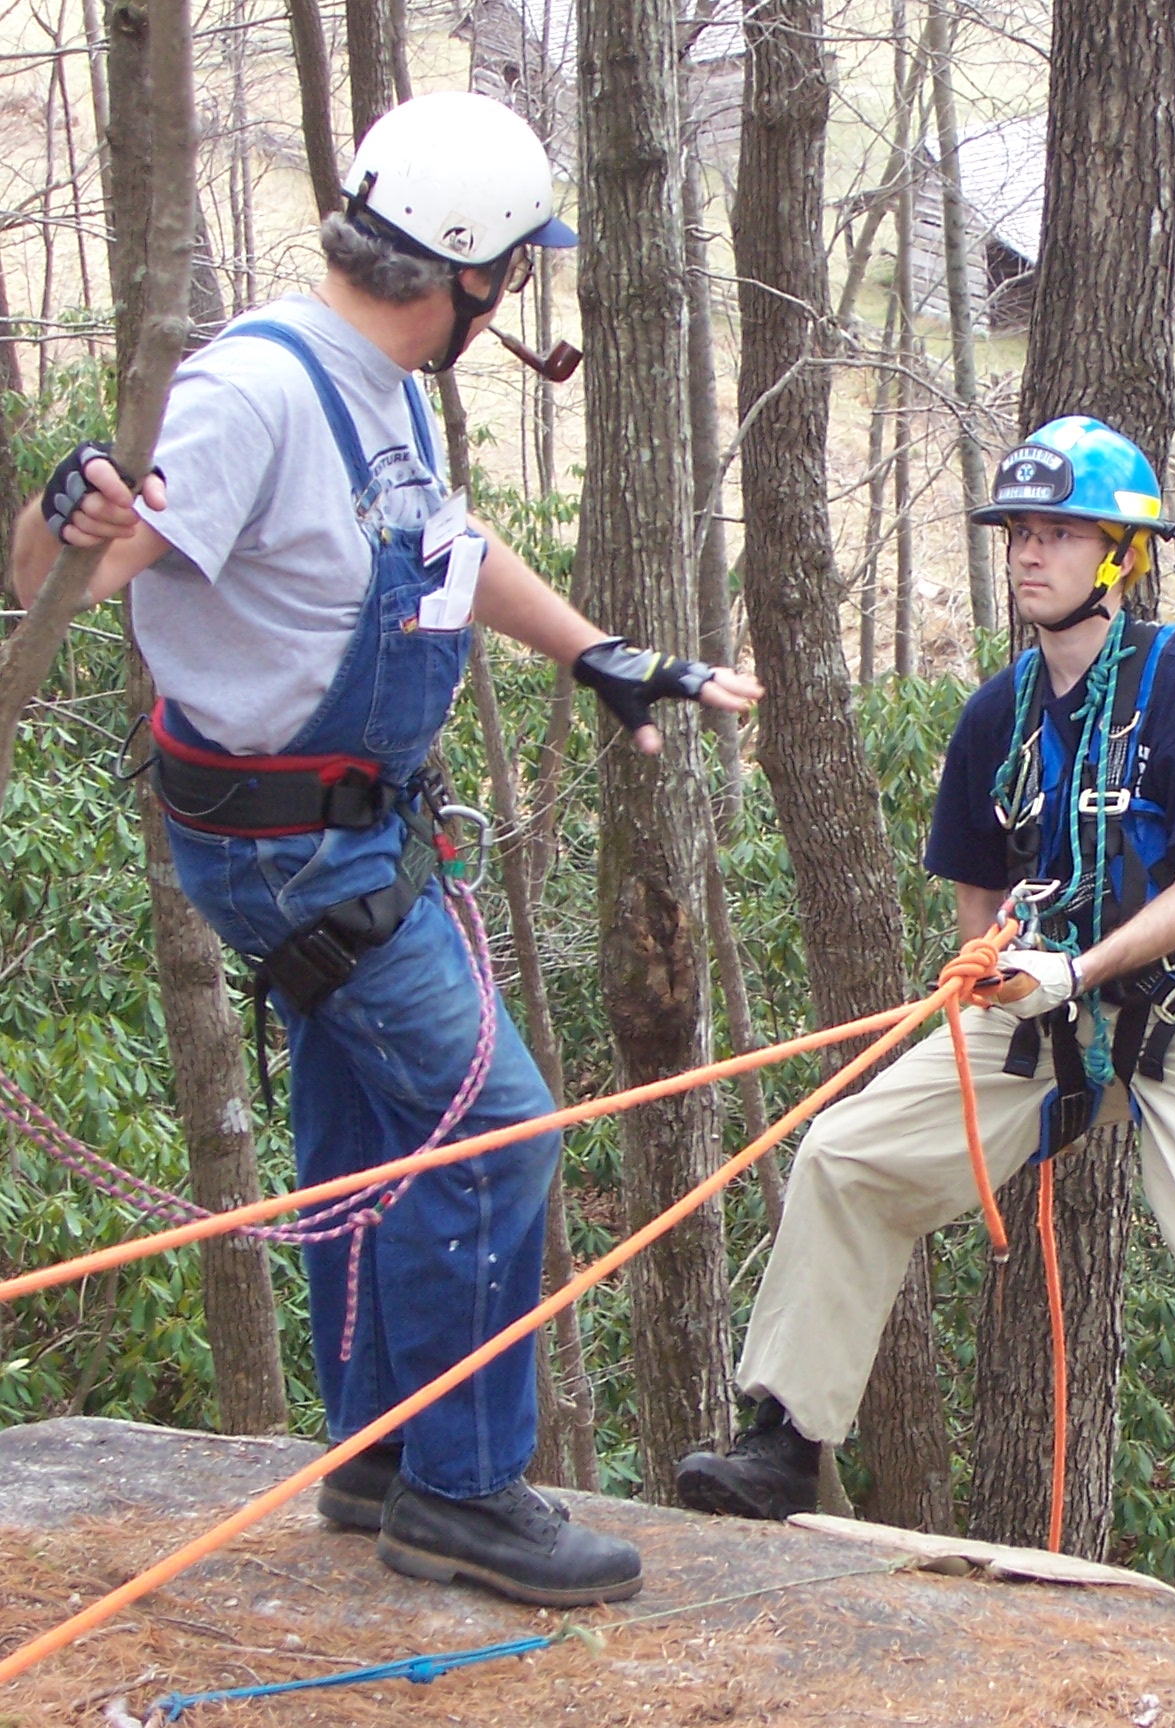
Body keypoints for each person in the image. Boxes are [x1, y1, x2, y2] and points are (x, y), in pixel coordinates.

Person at [9, 91, 762, 1607]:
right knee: (498, 1130)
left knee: (370, 1133)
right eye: (517, 267)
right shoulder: (258, 393)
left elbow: (447, 552)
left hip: (356, 834)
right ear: (472, 272)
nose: (519, 290)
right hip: (295, 850)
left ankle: (376, 1456)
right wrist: (63, 508)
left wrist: (597, 652)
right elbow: (68, 582)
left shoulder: (388, 386)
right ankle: (461, 1493)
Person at [673, 416, 1175, 1633]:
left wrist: (1074, 970)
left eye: (1060, 532)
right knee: (844, 1156)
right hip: (1046, 1008)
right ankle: (786, 1439)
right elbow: (981, 905)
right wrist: (1003, 971)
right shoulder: (997, 717)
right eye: (1021, 530)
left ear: (1121, 554)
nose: (1030, 552)